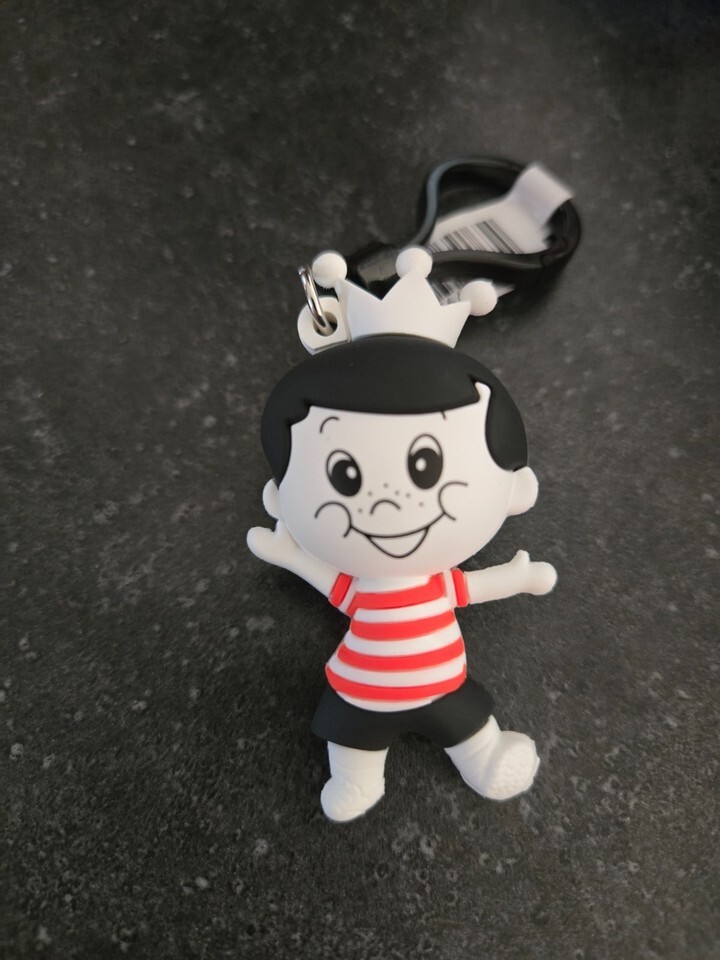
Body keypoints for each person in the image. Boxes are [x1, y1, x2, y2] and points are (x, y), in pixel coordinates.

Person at [248, 331, 557, 822]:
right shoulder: (365, 588)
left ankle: (485, 759)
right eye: (346, 476)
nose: (387, 505)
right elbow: (335, 587)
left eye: (425, 466)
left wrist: (518, 577)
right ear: (278, 499)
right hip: (362, 692)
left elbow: (471, 588)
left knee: (467, 724)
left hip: (444, 686)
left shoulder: (435, 583)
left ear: (516, 489)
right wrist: (289, 554)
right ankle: (356, 780)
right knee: (351, 735)